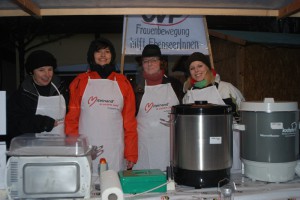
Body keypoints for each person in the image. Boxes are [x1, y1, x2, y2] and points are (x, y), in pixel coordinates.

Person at [65, 38, 137, 174]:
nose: (103, 55)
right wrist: (73, 149)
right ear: (92, 55)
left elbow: (130, 123)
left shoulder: (123, 83)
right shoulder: (80, 82)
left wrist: (131, 154)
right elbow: (72, 120)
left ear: (112, 56)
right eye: (98, 52)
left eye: (107, 51)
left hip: (116, 149)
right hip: (87, 150)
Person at [133, 44, 184, 171]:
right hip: (144, 147)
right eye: (145, 61)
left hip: (170, 146)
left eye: (154, 60)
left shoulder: (175, 85)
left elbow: (183, 114)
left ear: (161, 62)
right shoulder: (135, 88)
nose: (149, 64)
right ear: (142, 64)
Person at [7, 50, 68, 147]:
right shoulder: (21, 96)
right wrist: (41, 122)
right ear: (32, 72)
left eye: (50, 69)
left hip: (60, 146)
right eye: (41, 70)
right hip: (31, 149)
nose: (47, 74)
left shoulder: (63, 90)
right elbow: (14, 124)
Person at [183, 52, 244, 118]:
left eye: (200, 66)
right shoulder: (188, 96)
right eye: (192, 68)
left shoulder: (225, 89)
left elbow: (243, 114)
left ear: (207, 67)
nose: (196, 70)